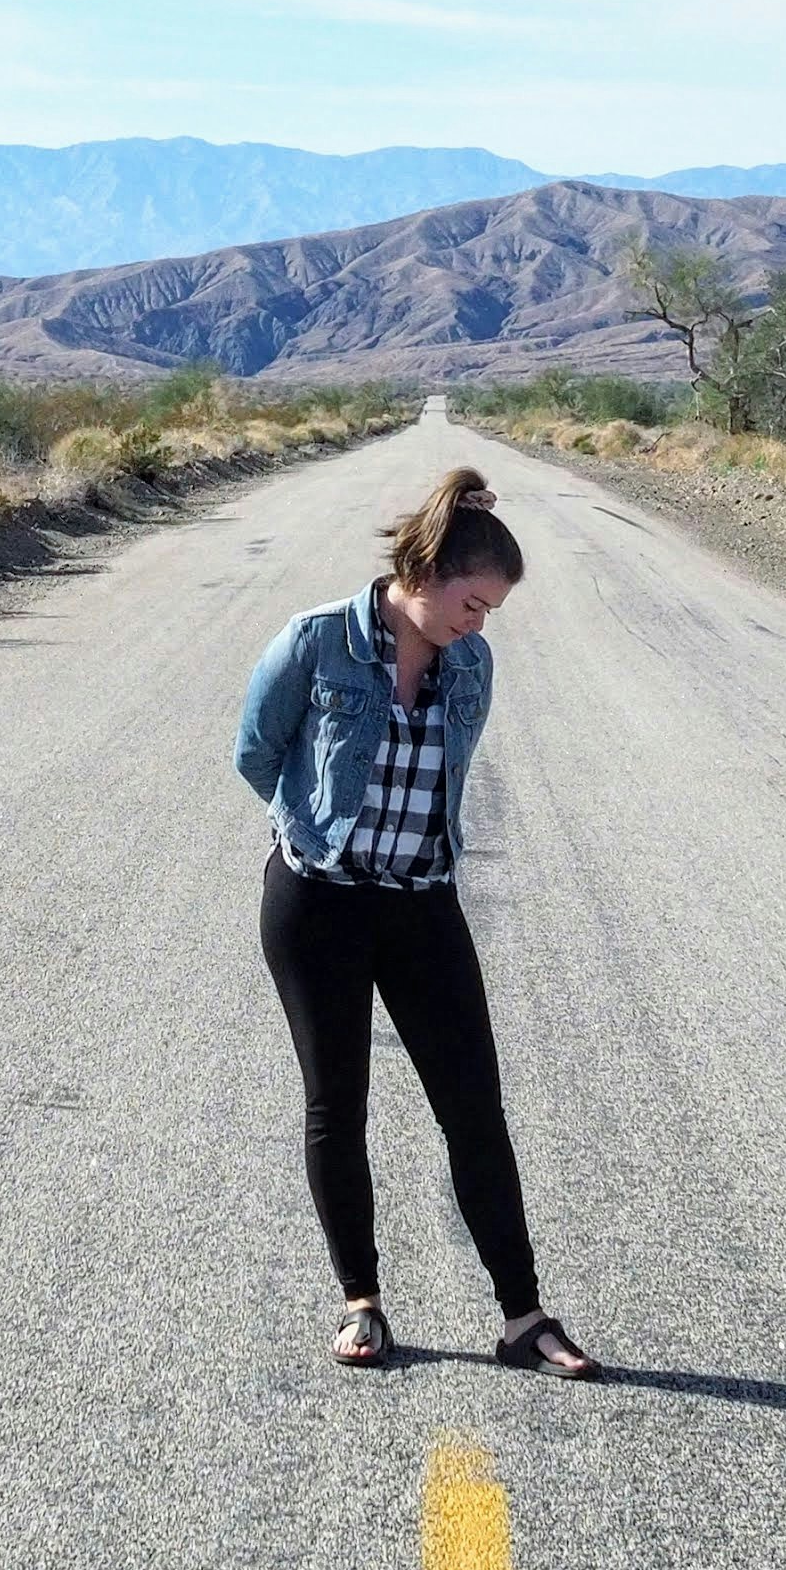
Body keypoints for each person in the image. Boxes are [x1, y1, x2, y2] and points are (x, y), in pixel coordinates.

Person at [232, 463, 598, 1379]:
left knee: (474, 1109)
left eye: (490, 612)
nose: (480, 624)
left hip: (422, 904)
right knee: (337, 1105)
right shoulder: (316, 641)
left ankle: (524, 1317)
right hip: (317, 906)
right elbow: (255, 750)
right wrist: (307, 832)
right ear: (427, 573)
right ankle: (361, 1302)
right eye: (474, 603)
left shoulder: (468, 662)